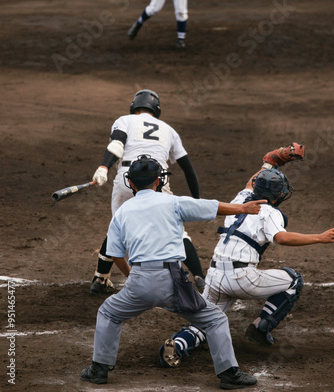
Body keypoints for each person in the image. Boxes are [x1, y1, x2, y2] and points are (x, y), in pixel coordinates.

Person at [80, 155, 267, 389]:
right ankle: (229, 374)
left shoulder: (122, 212)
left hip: (139, 280)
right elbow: (212, 207)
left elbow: (115, 253)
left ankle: (99, 370)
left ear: (132, 183)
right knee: (215, 319)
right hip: (173, 282)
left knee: (108, 313)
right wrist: (243, 208)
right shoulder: (173, 202)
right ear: (158, 181)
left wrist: (131, 276)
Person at [159, 143, 334, 364]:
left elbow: (251, 182)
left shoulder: (240, 200)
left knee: (204, 323)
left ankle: (178, 345)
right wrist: (320, 237)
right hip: (242, 279)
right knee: (293, 280)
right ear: (279, 194)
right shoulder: (270, 212)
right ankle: (261, 328)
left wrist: (270, 162)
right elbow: (281, 238)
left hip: (214, 277)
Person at [90, 89, 207, 295]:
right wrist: (196, 201)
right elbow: (188, 169)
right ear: (157, 110)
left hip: (128, 177)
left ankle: (100, 279)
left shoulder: (124, 120)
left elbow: (117, 144)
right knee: (176, 230)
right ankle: (199, 276)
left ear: (134, 107)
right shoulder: (169, 130)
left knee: (118, 228)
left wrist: (104, 167)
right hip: (157, 180)